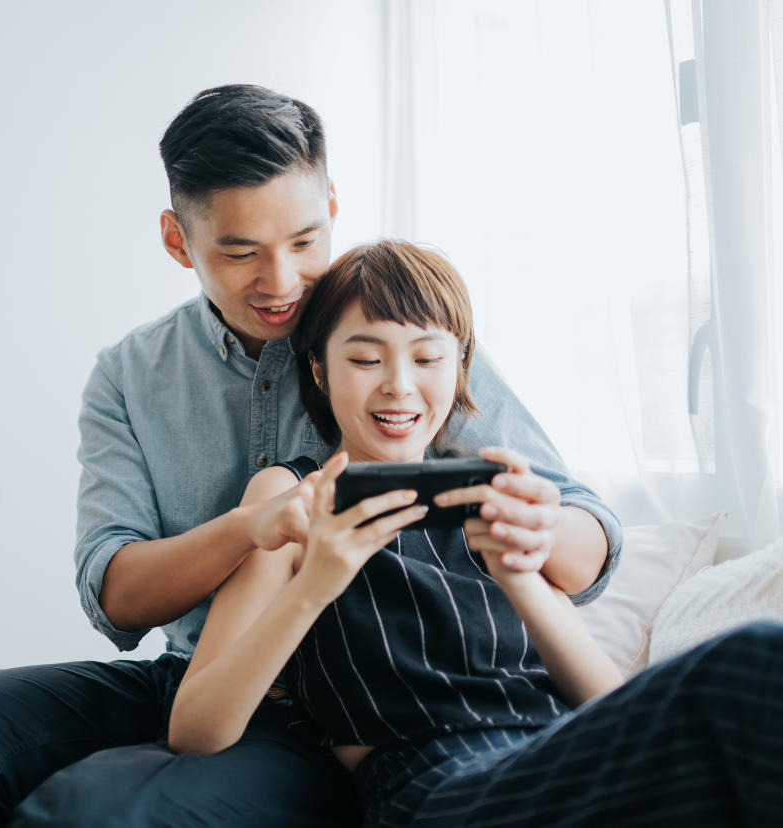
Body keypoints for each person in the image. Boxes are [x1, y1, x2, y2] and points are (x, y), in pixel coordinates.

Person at [0, 85, 623, 827]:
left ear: (331, 205)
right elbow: (114, 593)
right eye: (241, 253)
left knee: (99, 811)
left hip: (359, 694)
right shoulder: (132, 375)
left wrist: (530, 534)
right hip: (205, 671)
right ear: (179, 241)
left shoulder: (393, 336)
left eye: (304, 242)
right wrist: (251, 529)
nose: (282, 281)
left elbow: (583, 536)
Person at [168, 241, 783, 827]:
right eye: (364, 358)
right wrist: (316, 586)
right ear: (320, 371)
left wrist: (519, 574)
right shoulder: (291, 499)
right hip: (435, 786)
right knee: (757, 656)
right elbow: (195, 728)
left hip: (554, 752)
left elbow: (604, 699)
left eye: (427, 358)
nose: (399, 384)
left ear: (459, 367)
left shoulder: (489, 494)